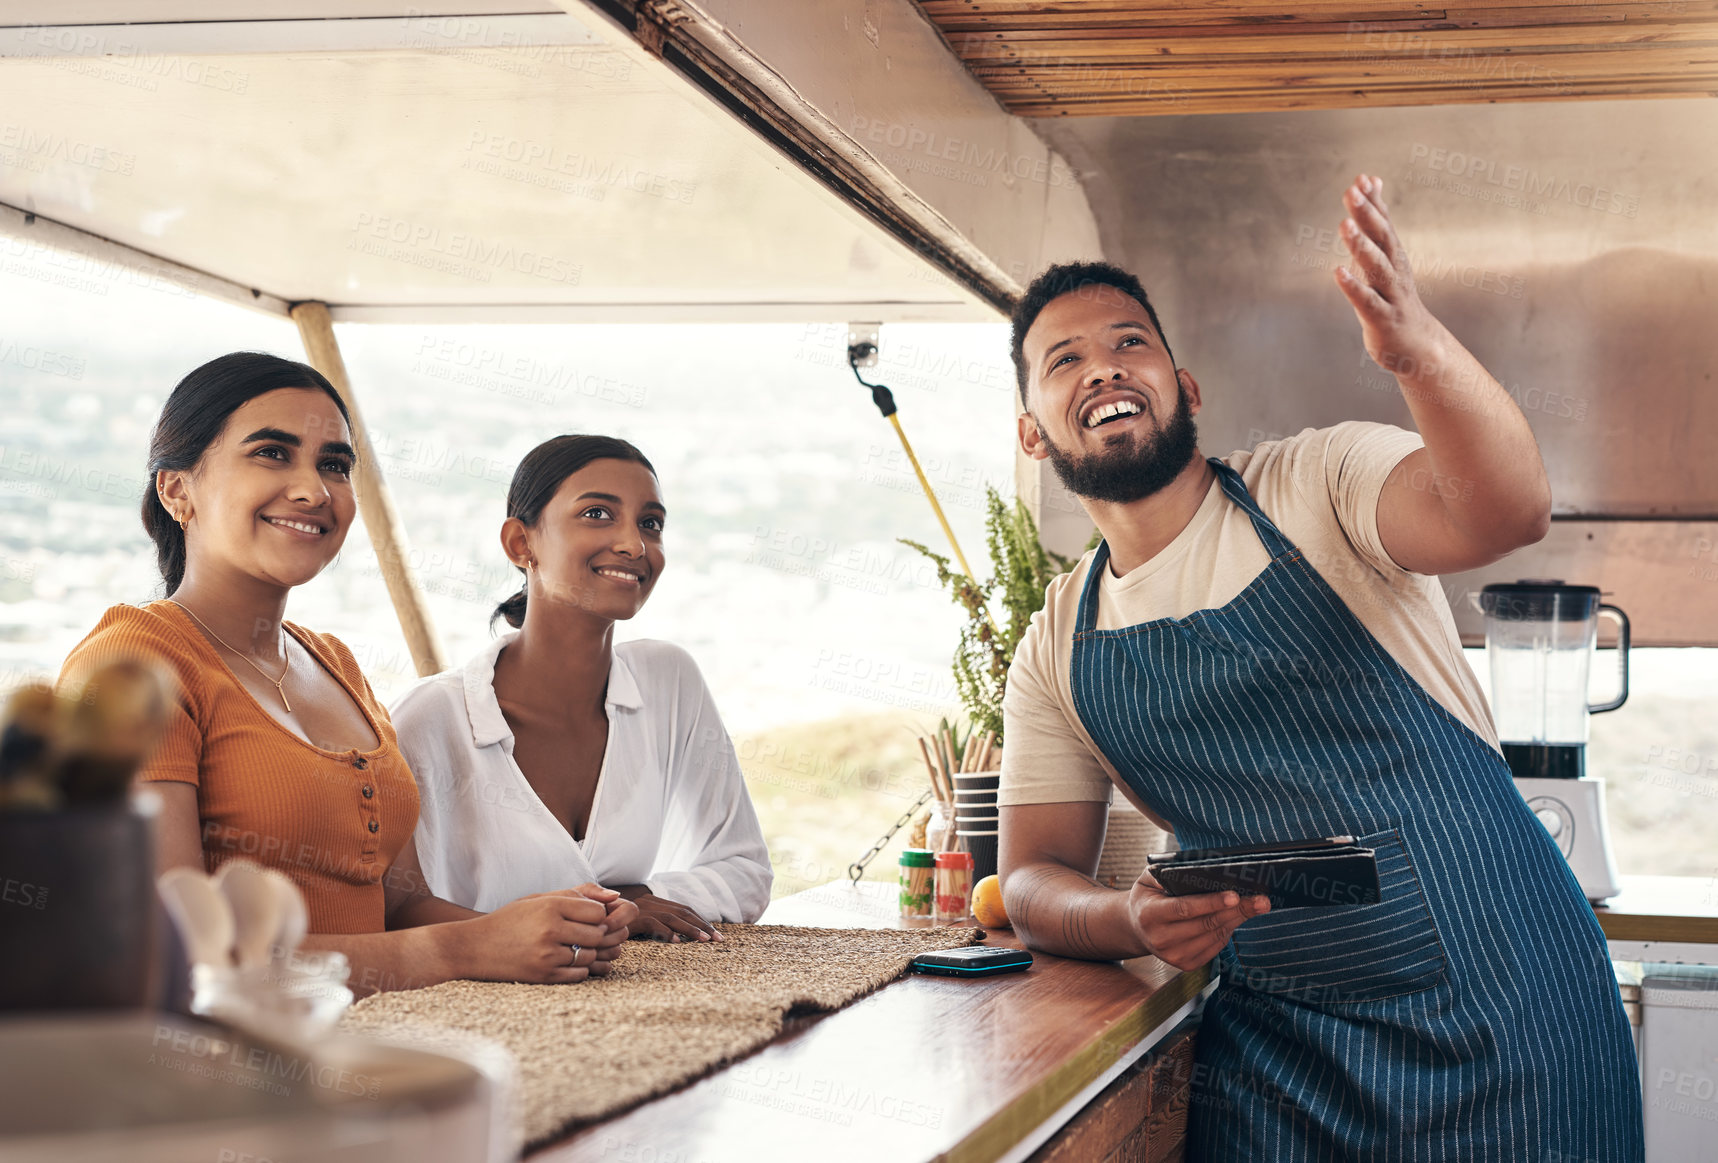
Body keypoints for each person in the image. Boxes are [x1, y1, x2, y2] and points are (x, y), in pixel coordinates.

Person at [998, 175, 1642, 1159]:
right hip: (1274, 1057)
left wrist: (1414, 352)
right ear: (1031, 432)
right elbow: (1032, 876)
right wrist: (1126, 913)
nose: (1104, 366)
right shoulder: (1056, 641)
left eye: (1130, 341)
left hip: (1504, 1008)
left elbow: (1504, 511)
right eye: (1064, 358)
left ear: (1187, 387)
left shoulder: (1318, 481)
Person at [58, 352, 636, 995]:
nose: (313, 489)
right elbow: (174, 954)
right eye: (272, 453)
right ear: (176, 489)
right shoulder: (132, 667)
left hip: (373, 1042)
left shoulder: (335, 666)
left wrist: (538, 930)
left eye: (334, 464)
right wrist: (459, 949)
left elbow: (397, 908)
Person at [392, 435, 772, 940]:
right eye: (597, 514)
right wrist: (564, 923)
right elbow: (392, 907)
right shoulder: (432, 718)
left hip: (639, 1006)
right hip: (476, 1006)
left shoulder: (668, 681)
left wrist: (640, 902)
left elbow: (745, 870)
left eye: (650, 523)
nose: (634, 545)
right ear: (520, 543)